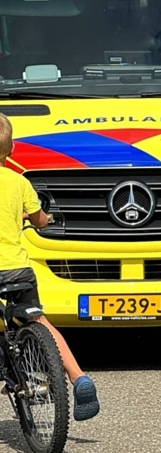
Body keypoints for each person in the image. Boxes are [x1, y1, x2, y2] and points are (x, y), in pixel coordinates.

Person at [0, 114, 99, 422]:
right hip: (16, 269)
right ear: (11, 148)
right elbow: (39, 219)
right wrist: (44, 219)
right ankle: (79, 377)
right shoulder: (19, 181)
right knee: (40, 321)